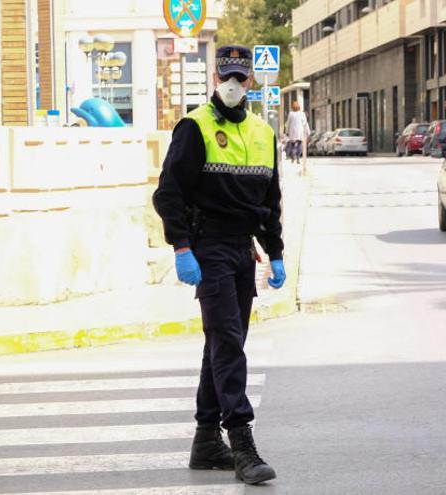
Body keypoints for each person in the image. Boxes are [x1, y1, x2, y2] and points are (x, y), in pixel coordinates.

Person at [152, 45, 283, 485]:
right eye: (226, 76)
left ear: (251, 81)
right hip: (207, 248)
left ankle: (206, 440)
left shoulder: (265, 134)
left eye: (240, 78)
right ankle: (242, 442)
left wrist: (276, 251)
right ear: (214, 78)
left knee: (224, 342)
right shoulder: (195, 126)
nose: (233, 84)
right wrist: (181, 247)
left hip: (243, 249)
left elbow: (270, 201)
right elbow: (168, 192)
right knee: (227, 339)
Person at [285, 100, 310, 165]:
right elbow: (305, 123)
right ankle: (298, 158)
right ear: (299, 107)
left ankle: (293, 158)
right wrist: (308, 132)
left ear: (292, 107)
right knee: (299, 145)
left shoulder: (290, 114)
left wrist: (287, 131)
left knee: (292, 146)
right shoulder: (302, 114)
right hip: (300, 132)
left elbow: (288, 123)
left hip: (292, 132)